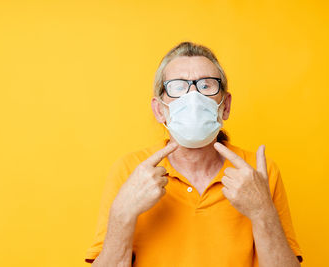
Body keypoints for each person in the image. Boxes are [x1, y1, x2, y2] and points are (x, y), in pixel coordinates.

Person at [85, 41, 304, 267]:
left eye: (207, 86)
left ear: (225, 106)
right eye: (178, 87)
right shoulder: (130, 170)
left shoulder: (258, 172)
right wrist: (122, 214)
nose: (193, 97)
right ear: (159, 109)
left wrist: (262, 212)